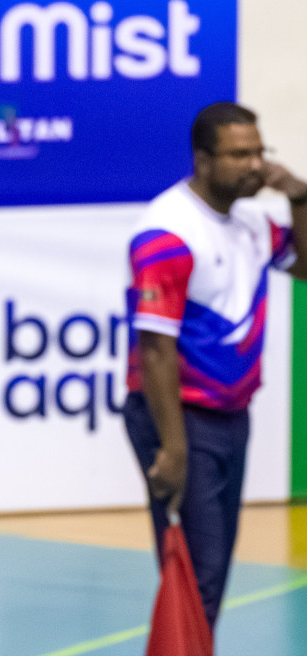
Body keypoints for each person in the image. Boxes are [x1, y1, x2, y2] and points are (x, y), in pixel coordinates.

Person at [124, 101, 307, 631]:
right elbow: (155, 348)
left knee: (215, 567)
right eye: (238, 155)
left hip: (231, 416)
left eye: (259, 152)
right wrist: (173, 447)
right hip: (179, 416)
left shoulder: (251, 222)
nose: (254, 165)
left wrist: (299, 197)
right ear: (203, 161)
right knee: (196, 568)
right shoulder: (167, 232)